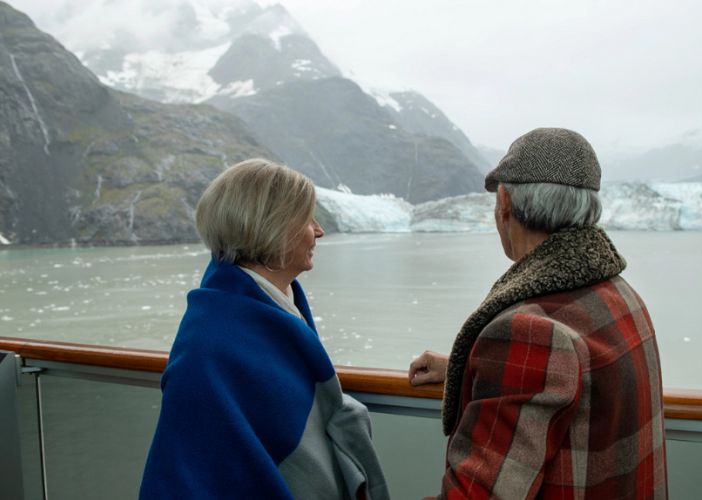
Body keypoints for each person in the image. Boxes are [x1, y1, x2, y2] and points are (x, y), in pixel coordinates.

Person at [408, 128, 667, 499]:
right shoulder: (621, 296)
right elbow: (579, 382)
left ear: (505, 203)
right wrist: (463, 366)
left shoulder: (529, 331)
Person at [140, 159, 388, 499]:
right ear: (274, 228)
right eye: (307, 220)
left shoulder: (270, 312)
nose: (318, 231)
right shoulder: (212, 346)